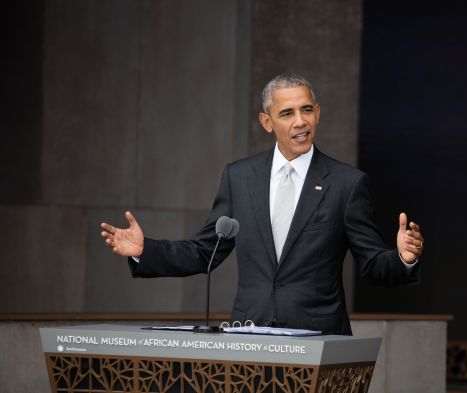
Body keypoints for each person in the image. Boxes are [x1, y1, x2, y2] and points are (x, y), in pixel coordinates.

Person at [100, 73, 424, 335]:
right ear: (267, 122)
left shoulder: (346, 183)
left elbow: (372, 264)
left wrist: (403, 259)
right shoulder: (239, 178)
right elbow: (204, 252)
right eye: (287, 113)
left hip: (320, 341)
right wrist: (145, 250)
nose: (300, 121)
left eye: (307, 110)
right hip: (249, 339)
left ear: (318, 112)